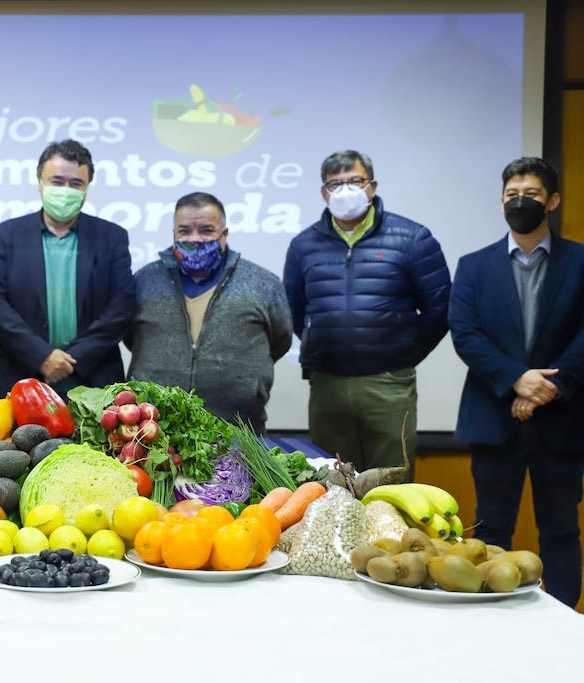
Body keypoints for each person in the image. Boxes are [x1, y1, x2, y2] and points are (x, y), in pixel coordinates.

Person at [449, 157, 584, 608]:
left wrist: (548, 388)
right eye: (511, 195)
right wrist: (517, 381)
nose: (520, 202)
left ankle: (566, 628)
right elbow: (465, 333)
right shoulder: (474, 266)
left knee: (561, 530)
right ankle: (493, 624)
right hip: (493, 415)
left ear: (553, 201)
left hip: (563, 419)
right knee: (490, 529)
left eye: (530, 194)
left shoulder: (581, 261)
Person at [283, 150, 450, 477]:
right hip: (327, 383)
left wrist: (404, 353)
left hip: (387, 383)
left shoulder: (413, 238)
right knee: (332, 483)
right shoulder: (304, 245)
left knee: (392, 481)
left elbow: (440, 308)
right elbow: (293, 309)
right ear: (323, 193)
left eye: (354, 181)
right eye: (335, 183)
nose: (345, 190)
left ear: (371, 186)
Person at [127, 192, 292, 432]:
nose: (195, 239)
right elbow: (132, 337)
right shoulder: (144, 281)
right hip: (154, 428)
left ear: (224, 234)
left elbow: (280, 339)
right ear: (174, 234)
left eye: (206, 230)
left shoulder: (263, 283)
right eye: (185, 231)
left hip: (238, 427)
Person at [0, 139, 135, 399]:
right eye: (57, 181)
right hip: (21, 379)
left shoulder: (112, 237)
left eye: (76, 183)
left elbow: (122, 306)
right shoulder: (5, 236)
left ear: (86, 189)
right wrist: (42, 357)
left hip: (94, 381)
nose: (66, 189)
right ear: (40, 184)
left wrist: (70, 361)